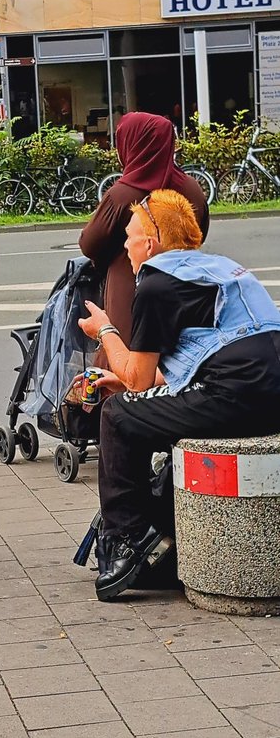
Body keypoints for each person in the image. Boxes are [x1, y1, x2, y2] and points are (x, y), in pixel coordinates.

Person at [78, 189, 280, 601]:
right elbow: (203, 356)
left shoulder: (156, 284)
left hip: (236, 395)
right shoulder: (218, 268)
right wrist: (131, 383)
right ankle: (169, 539)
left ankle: (126, 541)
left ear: (150, 244)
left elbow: (137, 380)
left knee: (117, 415)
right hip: (265, 389)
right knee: (134, 408)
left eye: (129, 238)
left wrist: (105, 331)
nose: (125, 247)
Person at [79, 112, 210, 355]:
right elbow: (199, 234)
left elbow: (89, 244)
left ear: (131, 145)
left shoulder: (122, 195)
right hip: (186, 289)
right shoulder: (191, 189)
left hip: (128, 291)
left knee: (128, 362)